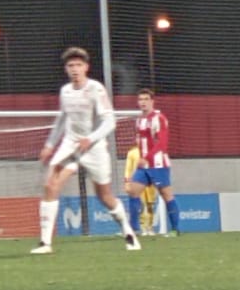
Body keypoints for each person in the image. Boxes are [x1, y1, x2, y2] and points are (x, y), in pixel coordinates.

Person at [33, 48, 141, 254]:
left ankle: (128, 232)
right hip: (71, 144)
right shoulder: (65, 91)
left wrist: (90, 138)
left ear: (86, 67)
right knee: (50, 183)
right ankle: (45, 243)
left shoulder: (95, 89)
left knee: (105, 196)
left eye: (78, 65)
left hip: (95, 148)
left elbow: (110, 121)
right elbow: (62, 119)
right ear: (66, 69)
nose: (75, 69)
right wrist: (49, 144)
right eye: (71, 66)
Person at [128, 88, 179, 237]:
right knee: (133, 191)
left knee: (166, 195)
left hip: (158, 164)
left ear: (152, 101)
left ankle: (175, 229)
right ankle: (134, 229)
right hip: (143, 165)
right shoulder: (138, 120)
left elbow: (162, 144)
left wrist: (147, 158)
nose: (142, 102)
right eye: (140, 99)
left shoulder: (159, 118)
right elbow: (140, 141)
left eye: (145, 99)